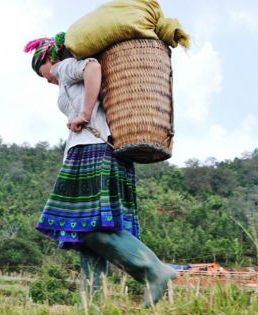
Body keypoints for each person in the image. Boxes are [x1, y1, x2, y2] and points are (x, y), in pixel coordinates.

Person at [24, 32, 176, 307]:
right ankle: (90, 306)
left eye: (41, 72)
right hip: (106, 149)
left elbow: (92, 67)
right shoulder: (68, 76)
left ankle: (153, 270)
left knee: (89, 227)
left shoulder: (64, 66)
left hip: (93, 150)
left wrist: (83, 113)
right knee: (86, 238)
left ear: (47, 59)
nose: (47, 79)